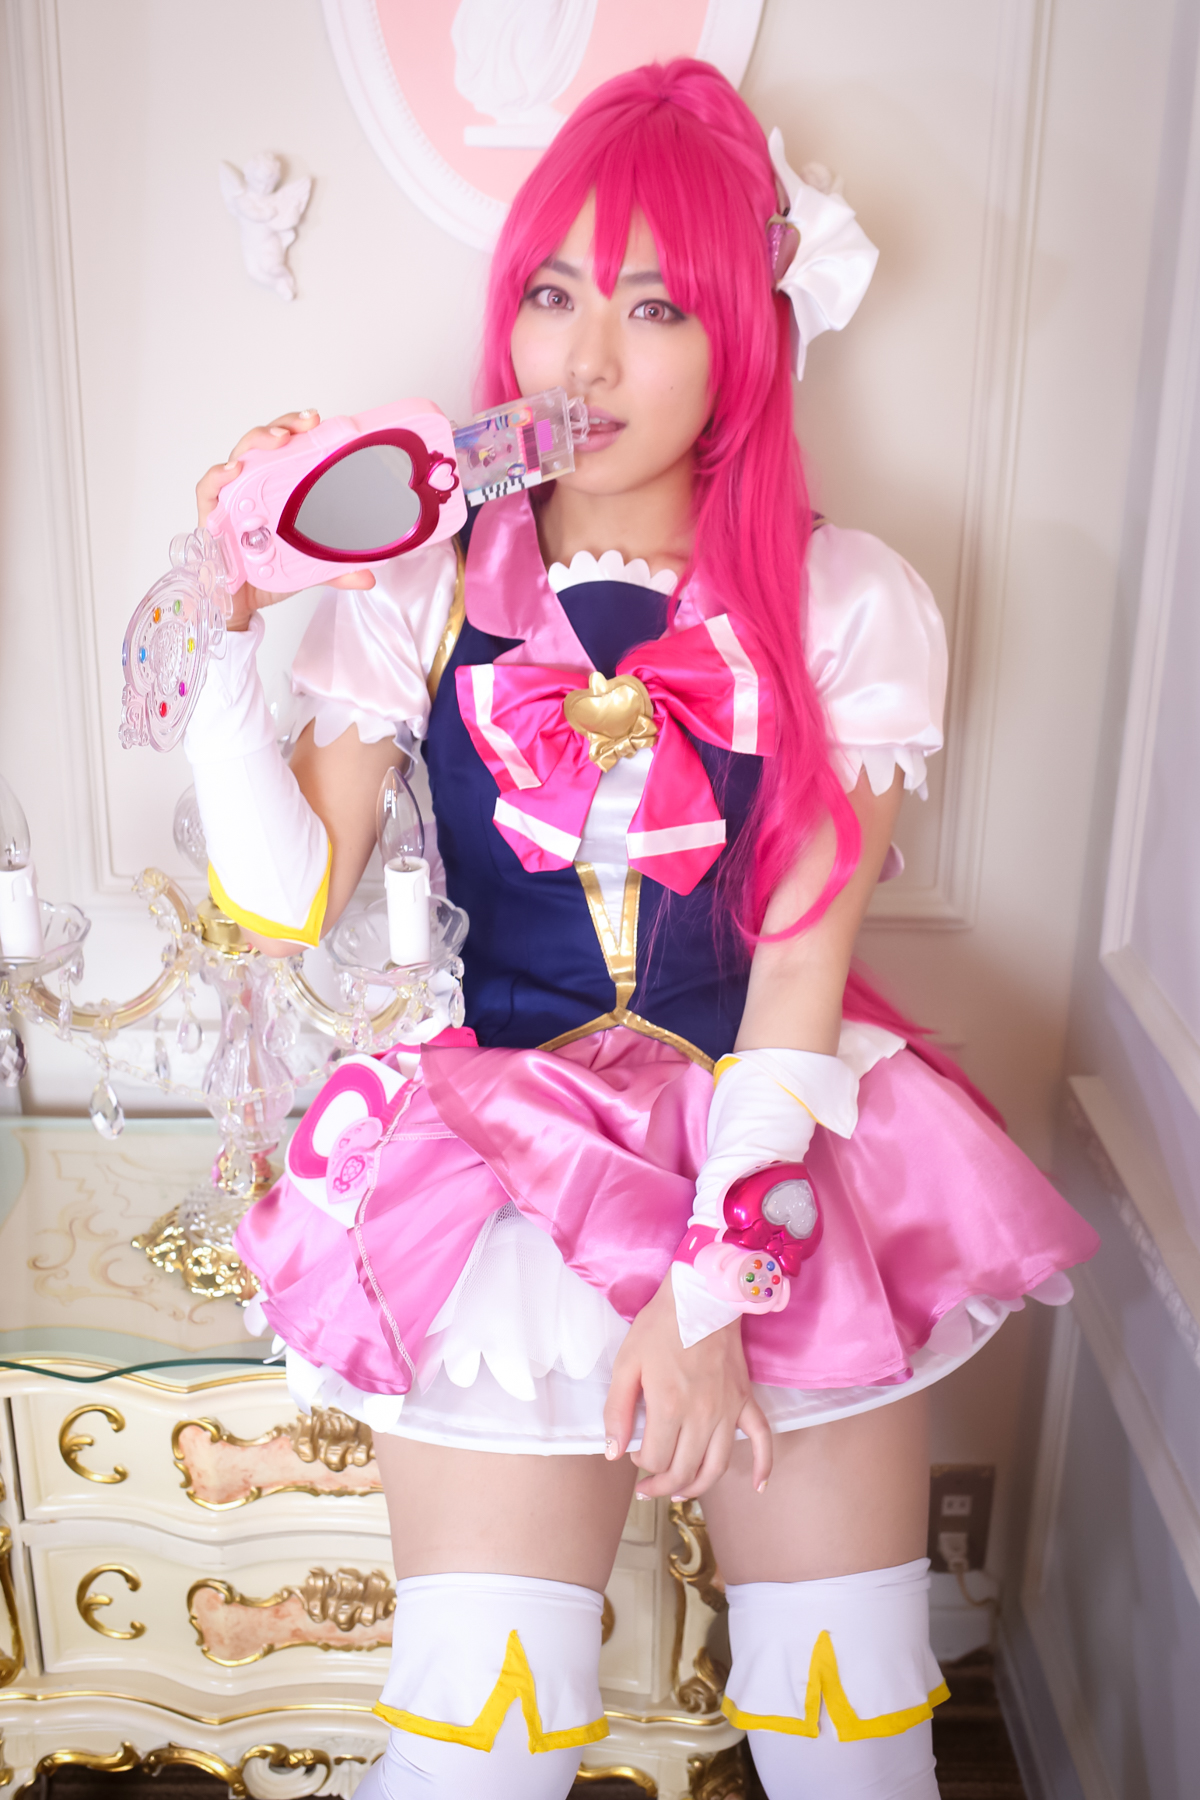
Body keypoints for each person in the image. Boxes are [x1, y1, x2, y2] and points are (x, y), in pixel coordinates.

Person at [183, 60, 1098, 1800]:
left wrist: (707, 1295)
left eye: (655, 307)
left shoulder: (844, 602)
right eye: (552, 294)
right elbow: (287, 897)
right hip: (503, 1167)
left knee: (850, 1737)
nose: (583, 362)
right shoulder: (416, 583)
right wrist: (226, 636)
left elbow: (802, 972)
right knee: (479, 1746)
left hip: (772, 1151)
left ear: (744, 335)